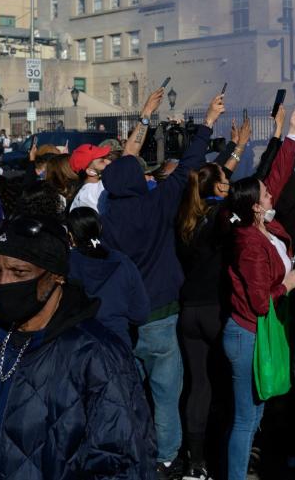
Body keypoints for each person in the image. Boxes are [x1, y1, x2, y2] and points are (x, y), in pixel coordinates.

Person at [0, 216, 155, 479]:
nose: (4, 283)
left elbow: (123, 460)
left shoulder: (95, 354)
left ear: (56, 276)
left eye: (19, 272)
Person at [101, 87, 222, 477]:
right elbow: (189, 164)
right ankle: (167, 457)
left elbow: (124, 166)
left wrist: (143, 117)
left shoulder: (106, 214)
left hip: (123, 316)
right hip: (162, 314)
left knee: (132, 393)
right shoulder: (157, 203)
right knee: (167, 394)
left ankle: (135, 447)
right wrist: (206, 123)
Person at [224, 103, 295, 480]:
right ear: (256, 208)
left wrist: (291, 132)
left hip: (263, 331)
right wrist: (288, 283)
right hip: (248, 333)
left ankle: (247, 468)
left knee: (257, 410)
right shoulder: (249, 245)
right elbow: (259, 300)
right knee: (245, 418)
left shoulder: (260, 225)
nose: (273, 195)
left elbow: (276, 175)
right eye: (266, 195)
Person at [176, 162, 233, 480]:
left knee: (198, 386)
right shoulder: (219, 217)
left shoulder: (185, 216)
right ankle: (220, 454)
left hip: (189, 309)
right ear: (215, 187)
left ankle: (195, 462)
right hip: (214, 308)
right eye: (224, 181)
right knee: (224, 385)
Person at [66, 207, 149, 350]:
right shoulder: (122, 261)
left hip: (80, 347)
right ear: (100, 228)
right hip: (118, 345)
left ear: (71, 236)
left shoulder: (66, 265)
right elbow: (140, 313)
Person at [68, 143, 112, 213]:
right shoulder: (91, 194)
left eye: (105, 158)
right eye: (102, 161)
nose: (109, 162)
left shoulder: (86, 192)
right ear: (90, 172)